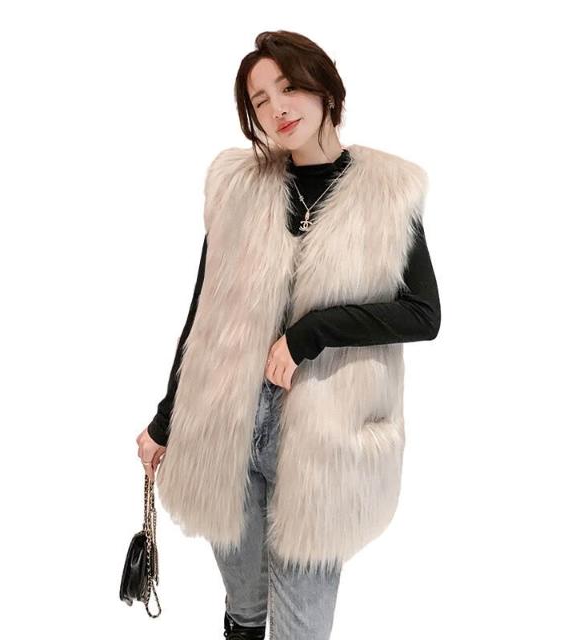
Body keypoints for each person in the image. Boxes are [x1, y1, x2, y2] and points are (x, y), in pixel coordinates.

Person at [136, 30, 440, 640]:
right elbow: (202, 314)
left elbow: (423, 314)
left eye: (289, 86)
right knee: (246, 613)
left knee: (302, 628)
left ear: (323, 87)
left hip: (321, 443)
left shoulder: (387, 193)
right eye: (260, 99)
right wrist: (165, 422)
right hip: (225, 428)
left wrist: (312, 332)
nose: (278, 107)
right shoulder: (238, 189)